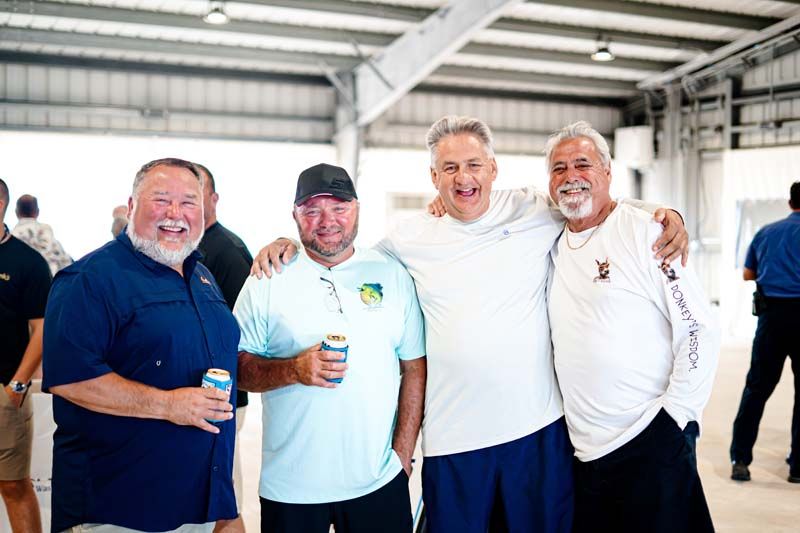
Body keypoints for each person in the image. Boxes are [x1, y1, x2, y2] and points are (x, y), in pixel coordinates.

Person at [252, 117, 689, 533]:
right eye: (450, 168)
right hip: (453, 441)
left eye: (474, 165)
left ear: (493, 168)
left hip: (536, 433)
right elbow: (343, 252)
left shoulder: (534, 210)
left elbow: (590, 201)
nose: (464, 178)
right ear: (434, 177)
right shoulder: (409, 238)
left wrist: (662, 213)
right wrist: (289, 243)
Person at [42, 158, 241, 533]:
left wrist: (225, 510)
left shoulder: (201, 276)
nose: (175, 213)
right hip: (118, 510)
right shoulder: (90, 279)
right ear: (131, 206)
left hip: (197, 505)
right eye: (161, 199)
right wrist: (168, 405)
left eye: (188, 203)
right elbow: (71, 378)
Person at [545, 122, 719, 532]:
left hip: (650, 438)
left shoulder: (647, 233)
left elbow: (697, 330)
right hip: (585, 453)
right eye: (559, 168)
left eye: (583, 164)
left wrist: (674, 416)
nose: (571, 176)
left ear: (607, 172)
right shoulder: (551, 239)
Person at [234, 163, 426, 533]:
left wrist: (402, 456)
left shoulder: (392, 273)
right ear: (295, 215)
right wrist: (293, 369)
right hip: (291, 488)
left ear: (356, 208)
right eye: (312, 210)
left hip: (378, 482)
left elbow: (414, 367)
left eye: (339, 207)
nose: (327, 220)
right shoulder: (268, 277)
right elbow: (237, 368)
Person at [730, 181, 800, 483]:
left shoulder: (766, 232)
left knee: (756, 389)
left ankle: (741, 460)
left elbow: (748, 274)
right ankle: (798, 468)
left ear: (790, 203)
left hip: (772, 318)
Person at [195, 163, 250, 531]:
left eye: (193, 195)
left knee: (222, 498)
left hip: (224, 395)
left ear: (213, 199)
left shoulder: (227, 251)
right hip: (195, 394)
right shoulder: (187, 246)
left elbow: (242, 331)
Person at [0, 178, 50, 533]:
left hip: (5, 391)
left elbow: (41, 329)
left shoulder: (27, 262)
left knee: (14, 486)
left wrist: (18, 385)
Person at [12, 194, 72, 275]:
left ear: (16, 212)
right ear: (37, 212)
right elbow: (67, 265)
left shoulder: (10, 238)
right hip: (51, 284)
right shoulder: (47, 233)